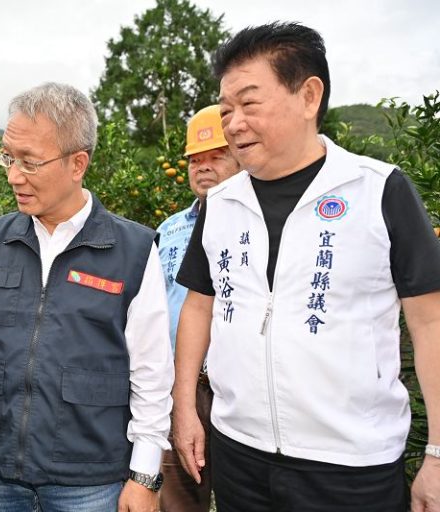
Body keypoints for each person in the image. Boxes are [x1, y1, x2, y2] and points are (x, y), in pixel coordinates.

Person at [172, 22, 440, 512]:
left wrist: (439, 454)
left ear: (308, 95)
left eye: (249, 103)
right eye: (226, 109)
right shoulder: (220, 203)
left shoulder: (377, 190)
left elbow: (430, 323)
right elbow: (198, 306)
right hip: (239, 453)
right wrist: (185, 405)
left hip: (351, 465)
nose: (233, 123)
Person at [0, 82, 173, 512]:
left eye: (29, 162)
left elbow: (152, 374)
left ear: (77, 163)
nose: (12, 175)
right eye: (8, 157)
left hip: (90, 481)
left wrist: (144, 475)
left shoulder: (132, 251)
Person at [156, 105, 240, 512]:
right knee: (177, 497)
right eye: (195, 160)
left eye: (216, 157)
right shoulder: (168, 229)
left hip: (238, 387)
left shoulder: (256, 224)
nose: (203, 168)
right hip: (180, 384)